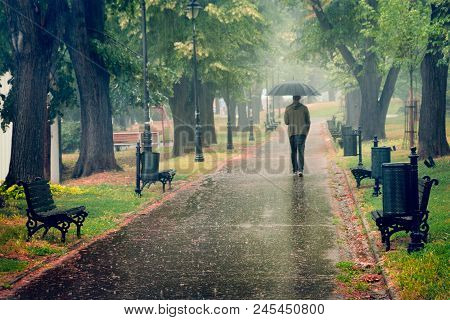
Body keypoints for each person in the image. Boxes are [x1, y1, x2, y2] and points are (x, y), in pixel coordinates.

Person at [284, 95, 311, 177]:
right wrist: (306, 132)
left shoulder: (288, 108)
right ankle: (300, 170)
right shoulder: (304, 108)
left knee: (293, 151)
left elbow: (286, 122)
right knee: (300, 151)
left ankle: (295, 170)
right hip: (302, 132)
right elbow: (308, 122)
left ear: (293, 98)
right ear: (299, 98)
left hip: (292, 133)